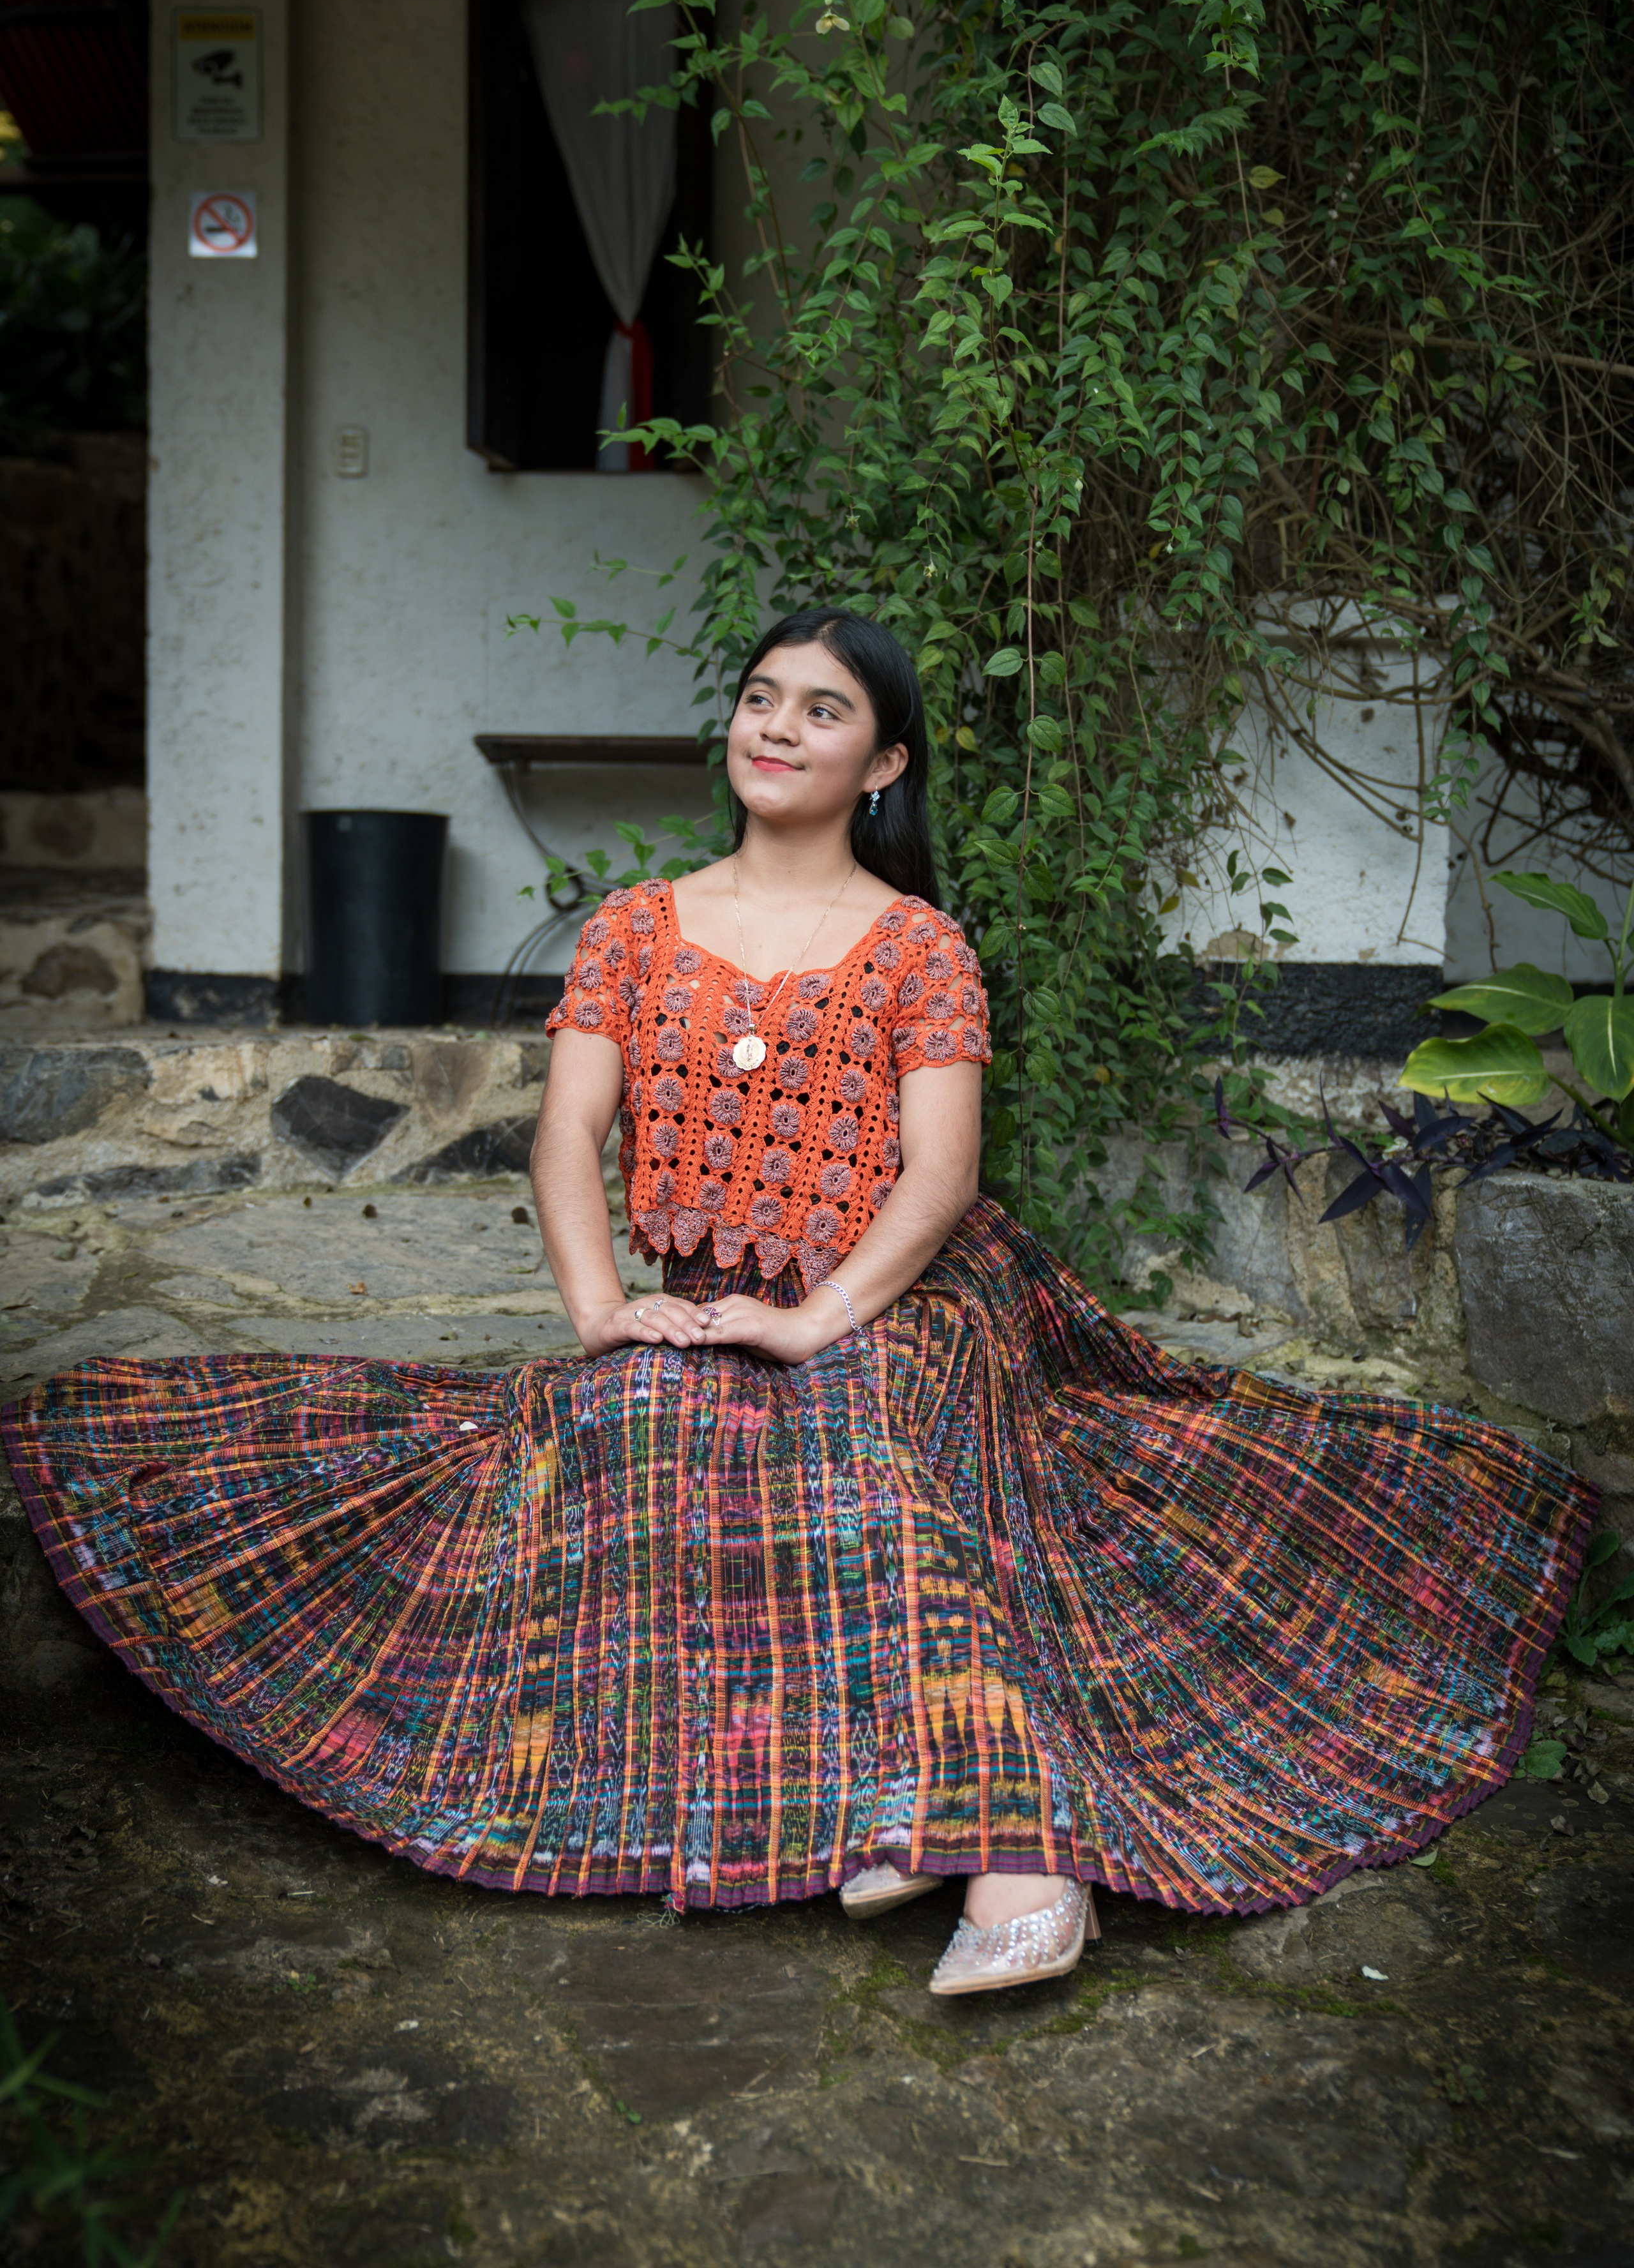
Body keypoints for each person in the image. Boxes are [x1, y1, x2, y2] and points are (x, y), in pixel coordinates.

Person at [0, 605, 1595, 2001]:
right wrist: (600, 1306)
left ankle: (1011, 1849)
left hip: (921, 1286)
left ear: (883, 763)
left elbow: (938, 1182)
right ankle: (872, 1797)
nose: (779, 726)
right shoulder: (634, 927)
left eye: (822, 708)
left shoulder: (917, 947)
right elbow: (565, 1132)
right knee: (625, 1422)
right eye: (763, 698)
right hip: (697, 1288)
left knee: (863, 1439)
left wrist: (821, 1315)